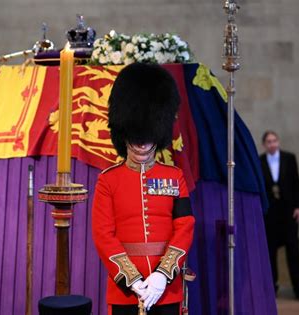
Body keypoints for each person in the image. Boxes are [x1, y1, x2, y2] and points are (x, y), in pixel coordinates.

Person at [92, 63, 195, 315]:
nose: (141, 144)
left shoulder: (174, 177)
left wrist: (161, 276)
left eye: (147, 137)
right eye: (135, 137)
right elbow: (103, 235)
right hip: (125, 290)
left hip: (166, 288)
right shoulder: (108, 180)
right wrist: (134, 280)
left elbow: (185, 227)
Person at [260, 130, 299, 300]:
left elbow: (297, 183)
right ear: (264, 144)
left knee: (293, 251)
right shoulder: (260, 161)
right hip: (270, 215)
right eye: (269, 141)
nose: (272, 144)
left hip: (288, 212)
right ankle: (271, 286)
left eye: (274, 140)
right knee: (270, 253)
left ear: (278, 142)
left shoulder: (289, 158)